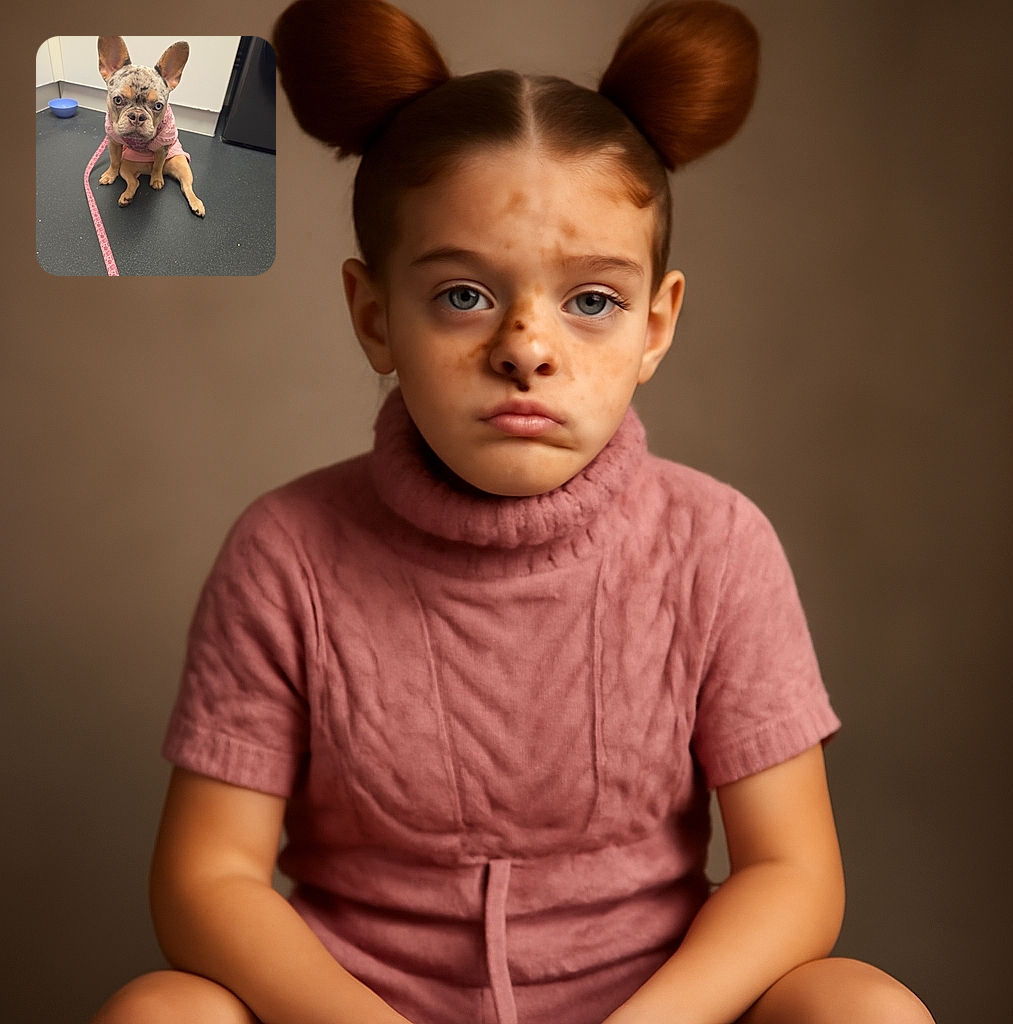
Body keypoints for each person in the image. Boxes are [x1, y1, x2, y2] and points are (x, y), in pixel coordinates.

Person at [91, 1, 935, 1022]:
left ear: (655, 324)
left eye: (590, 301)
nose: (526, 347)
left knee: (861, 1007)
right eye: (461, 296)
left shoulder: (716, 546)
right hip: (358, 1006)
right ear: (374, 315)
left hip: (652, 1006)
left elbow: (792, 873)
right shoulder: (286, 554)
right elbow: (207, 879)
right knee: (160, 1011)